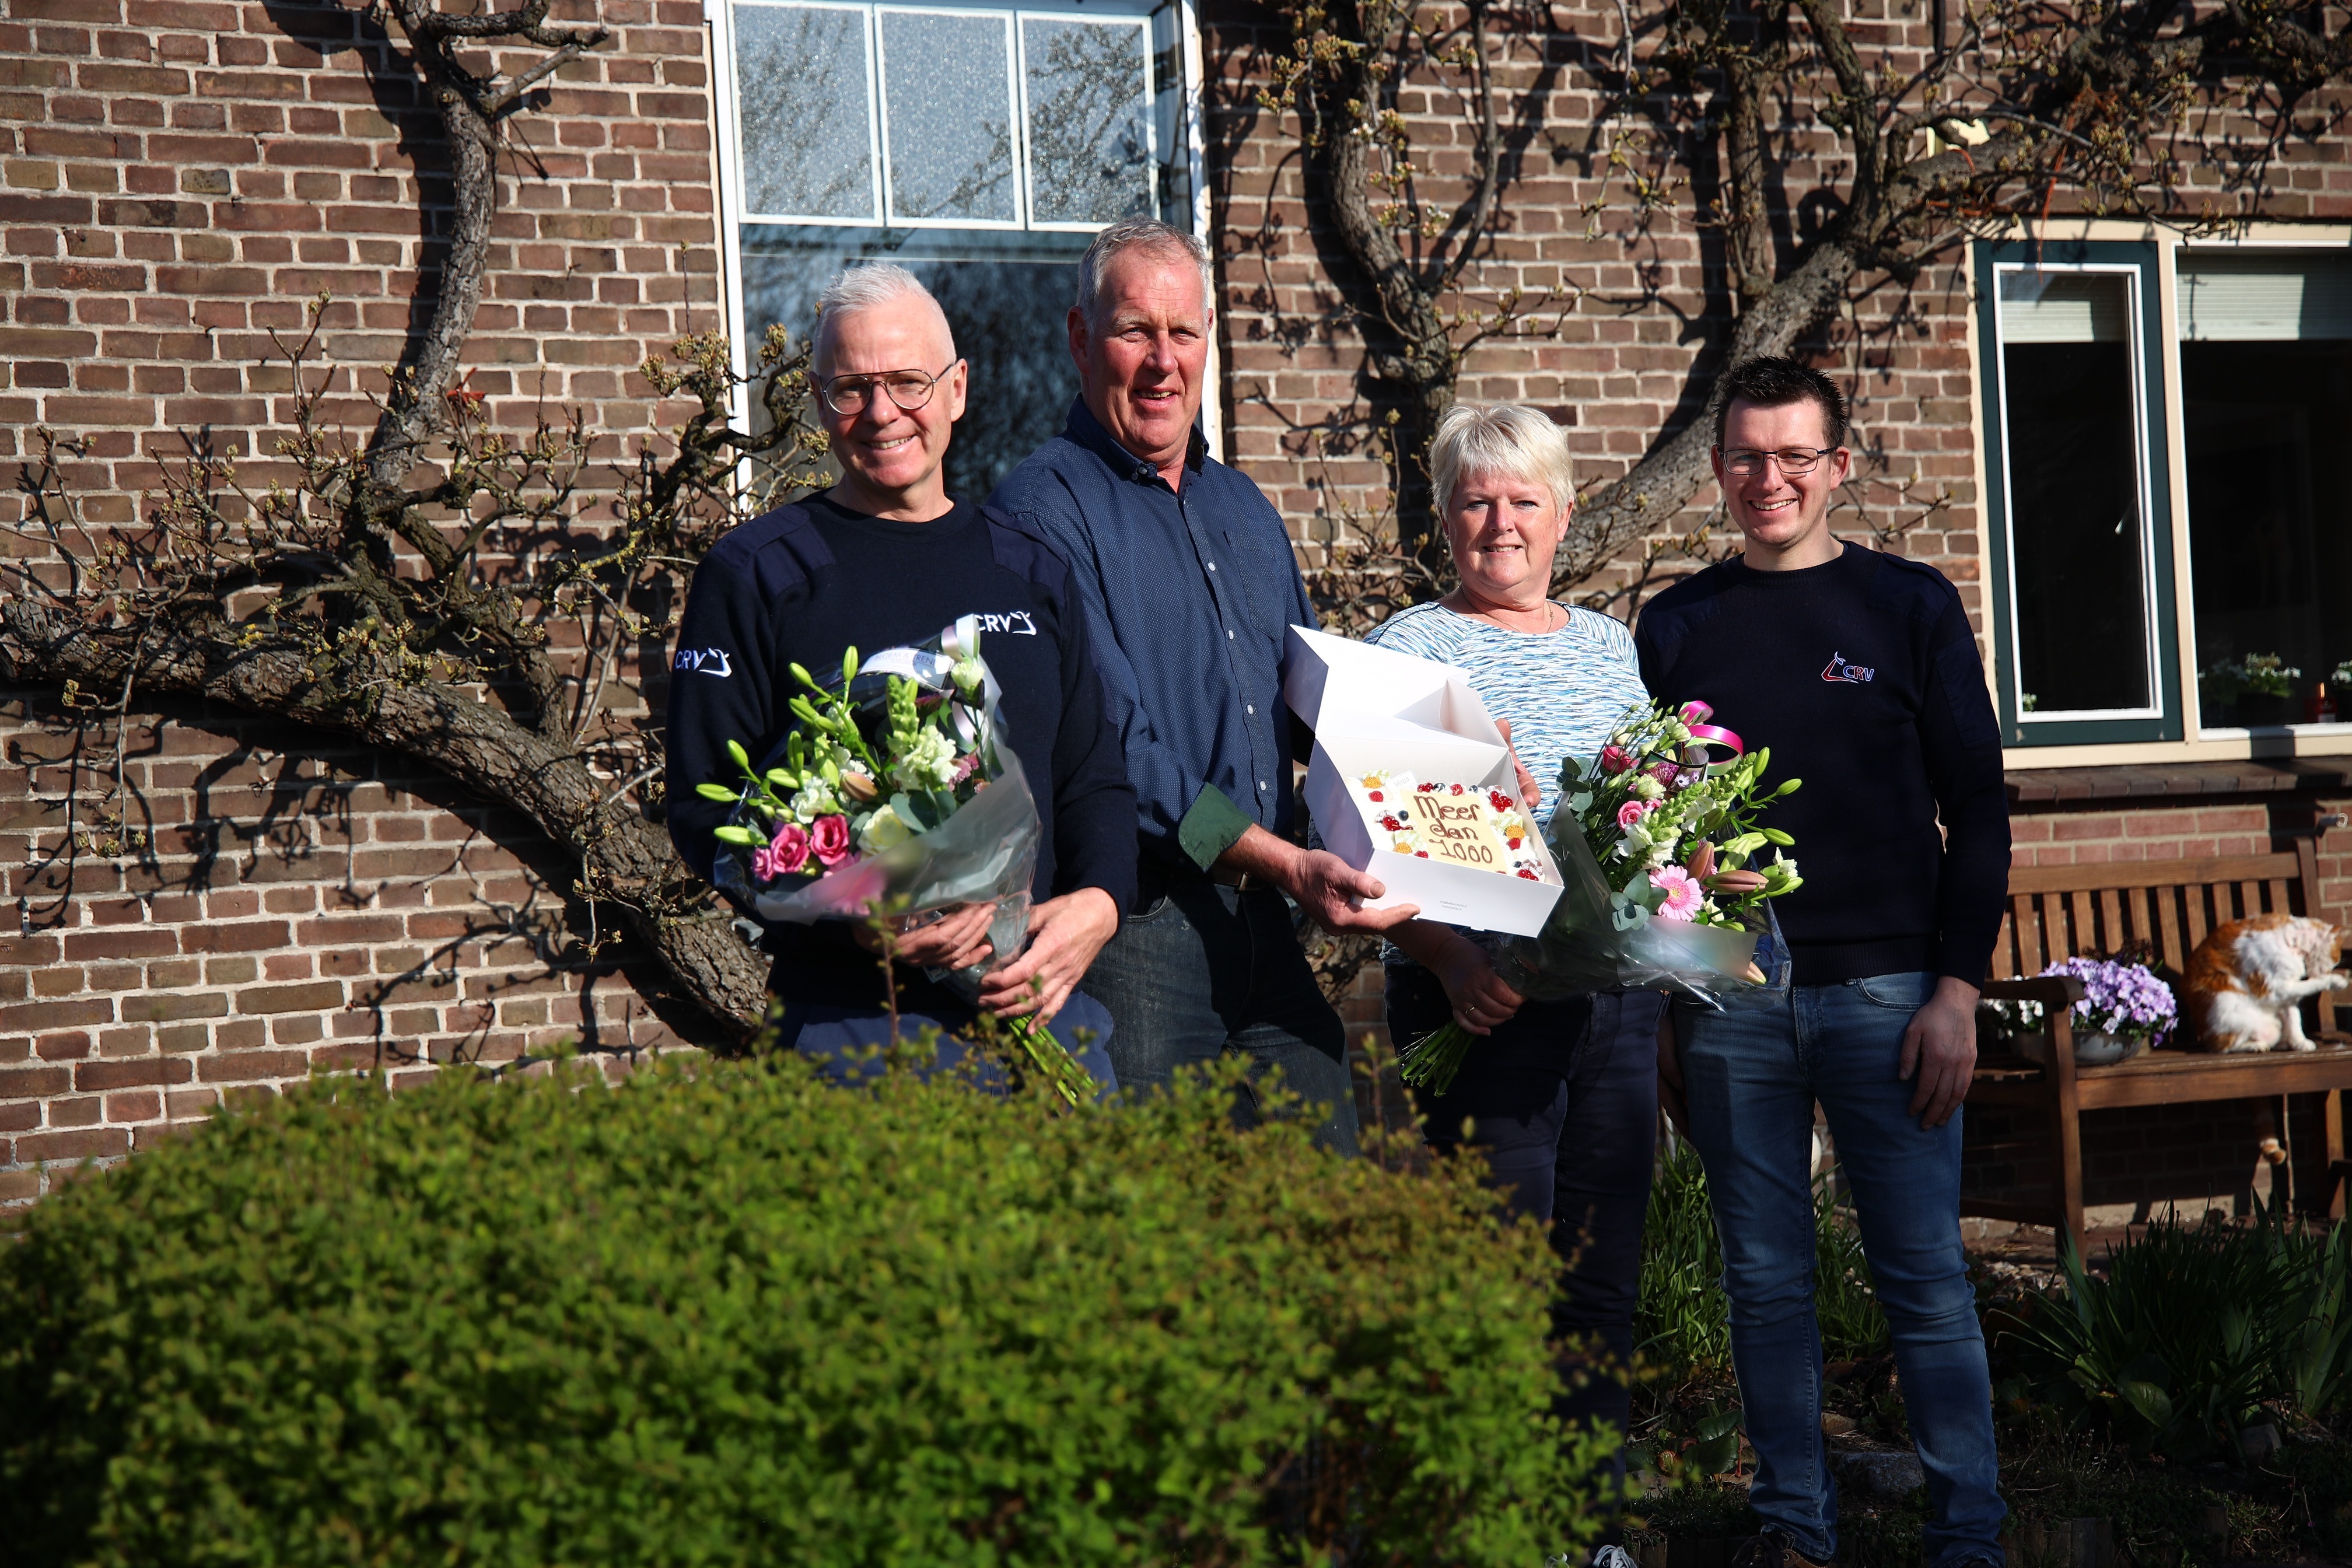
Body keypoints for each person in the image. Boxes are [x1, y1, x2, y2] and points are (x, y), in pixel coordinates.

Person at [1634, 357, 2010, 1568]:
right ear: (1720, 472)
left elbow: (1982, 808)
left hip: (1895, 1000)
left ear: (1838, 467)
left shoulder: (1909, 607)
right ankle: (1796, 1527)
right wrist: (1662, 1008)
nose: (1770, 480)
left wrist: (1958, 989)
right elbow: (1651, 837)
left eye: (1796, 457)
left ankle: (1970, 1534)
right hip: (1733, 999)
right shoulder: (1676, 625)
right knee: (1764, 1280)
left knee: (1924, 1280)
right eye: (1747, 457)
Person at [988, 217, 1412, 1152]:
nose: (1161, 362)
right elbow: (1120, 755)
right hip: (1142, 932)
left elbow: (1311, 702)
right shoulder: (1038, 514)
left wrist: (1447, 777)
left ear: (1209, 338)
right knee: (1156, 1226)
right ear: (1078, 338)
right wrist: (1286, 861)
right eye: (1135, 331)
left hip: (1267, 922)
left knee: (1324, 1202)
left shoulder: (1244, 508)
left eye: (1182, 334)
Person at [665, 263, 1135, 1086]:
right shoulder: (757, 574)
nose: (882, 413)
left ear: (957, 389)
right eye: (852, 388)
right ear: (818, 403)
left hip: (1047, 1015)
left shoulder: (1031, 571)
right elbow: (707, 811)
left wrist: (1101, 903)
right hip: (849, 1030)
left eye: (908, 382)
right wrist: (858, 916)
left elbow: (1093, 778)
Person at [1369, 402, 1660, 1545]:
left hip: (1612, 1007)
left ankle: (1590, 1526)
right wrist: (1445, 959)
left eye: (1522, 499)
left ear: (1564, 513)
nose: (1500, 522)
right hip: (1480, 1003)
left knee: (1598, 1278)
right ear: (1444, 515)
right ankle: (1493, 1526)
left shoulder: (1605, 646)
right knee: (1495, 1282)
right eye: (1476, 499)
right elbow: (1368, 846)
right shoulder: (1409, 651)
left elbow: (1646, 812)